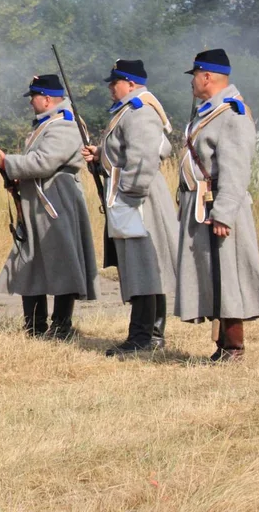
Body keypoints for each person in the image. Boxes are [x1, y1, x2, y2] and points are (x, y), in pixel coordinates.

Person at [175, 49, 259, 361]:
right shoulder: (209, 112)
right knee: (214, 275)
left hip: (220, 206)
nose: (192, 82)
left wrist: (223, 213)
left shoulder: (231, 114)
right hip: (204, 205)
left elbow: (235, 170)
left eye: (194, 75)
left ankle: (234, 348)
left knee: (229, 276)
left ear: (207, 76)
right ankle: (222, 346)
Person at [0, 74, 98, 339]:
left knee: (62, 261)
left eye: (34, 97)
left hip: (56, 197)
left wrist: (7, 163)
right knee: (31, 260)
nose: (31, 103)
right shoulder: (48, 123)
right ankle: (34, 325)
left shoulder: (64, 124)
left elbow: (44, 162)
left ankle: (61, 326)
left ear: (47, 98)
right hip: (39, 197)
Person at [81, 60, 178, 355]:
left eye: (115, 82)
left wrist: (127, 194)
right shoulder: (131, 109)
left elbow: (143, 158)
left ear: (131, 83)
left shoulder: (139, 111)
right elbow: (126, 152)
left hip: (139, 197)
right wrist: (102, 155)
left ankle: (142, 338)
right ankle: (151, 334)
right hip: (135, 195)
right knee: (145, 267)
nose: (111, 88)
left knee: (143, 267)